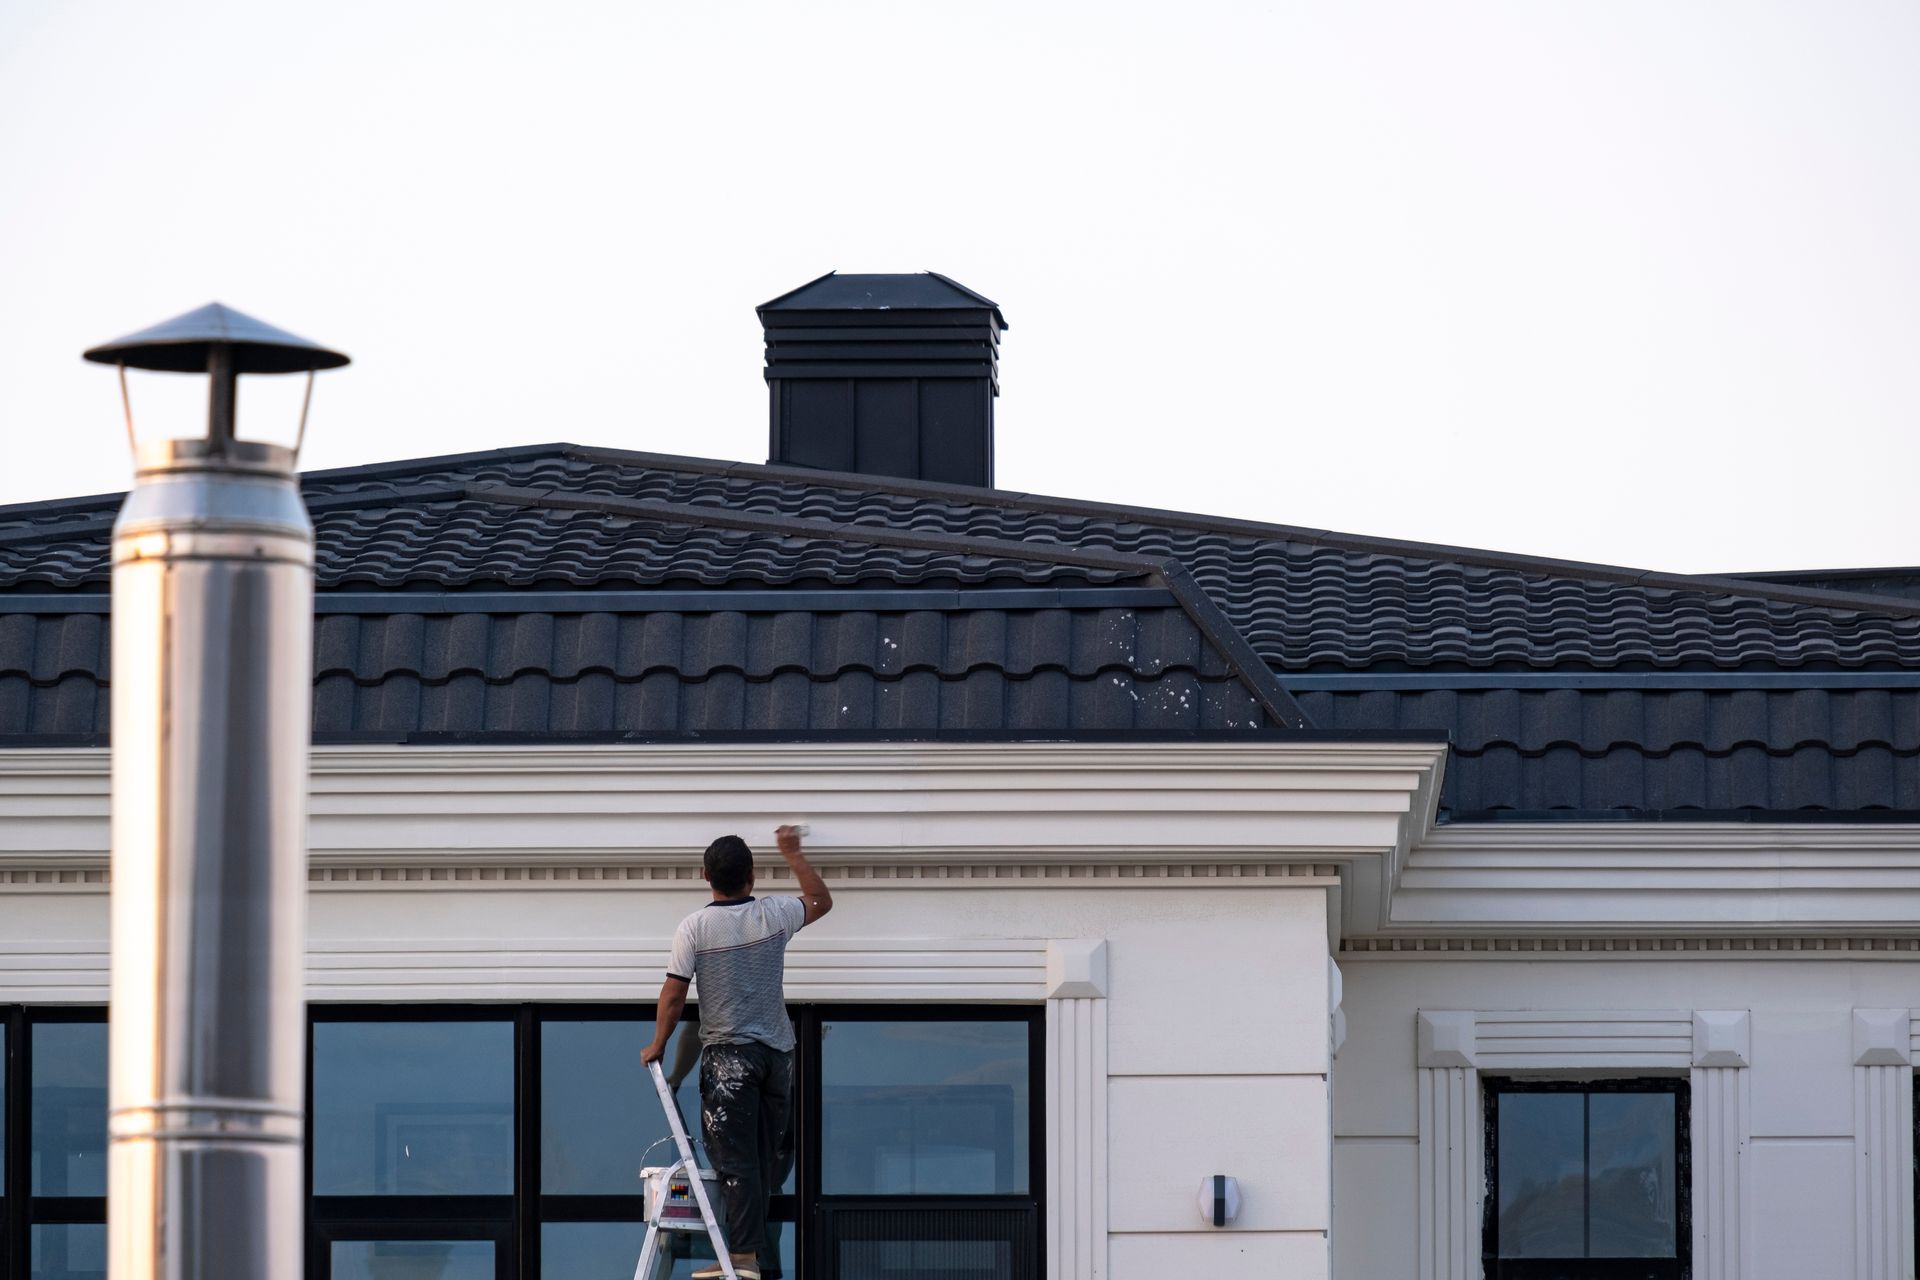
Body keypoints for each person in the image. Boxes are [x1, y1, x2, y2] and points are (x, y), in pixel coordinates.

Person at [643, 825, 831, 1280]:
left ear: (706, 874)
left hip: (731, 1059)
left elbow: (673, 997)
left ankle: (743, 1258)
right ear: (752, 876)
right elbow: (821, 900)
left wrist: (658, 1045)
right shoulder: (776, 914)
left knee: (734, 1160)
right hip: (778, 1058)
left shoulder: (696, 928)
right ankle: (758, 1258)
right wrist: (793, 854)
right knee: (765, 1162)